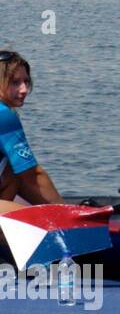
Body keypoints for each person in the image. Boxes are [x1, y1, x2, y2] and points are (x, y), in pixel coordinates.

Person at [0, 51, 64, 212]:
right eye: (14, 82)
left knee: (13, 173)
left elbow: (22, 175)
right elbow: (34, 174)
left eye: (26, 82)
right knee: (33, 220)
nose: (24, 90)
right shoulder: (3, 115)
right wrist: (67, 215)